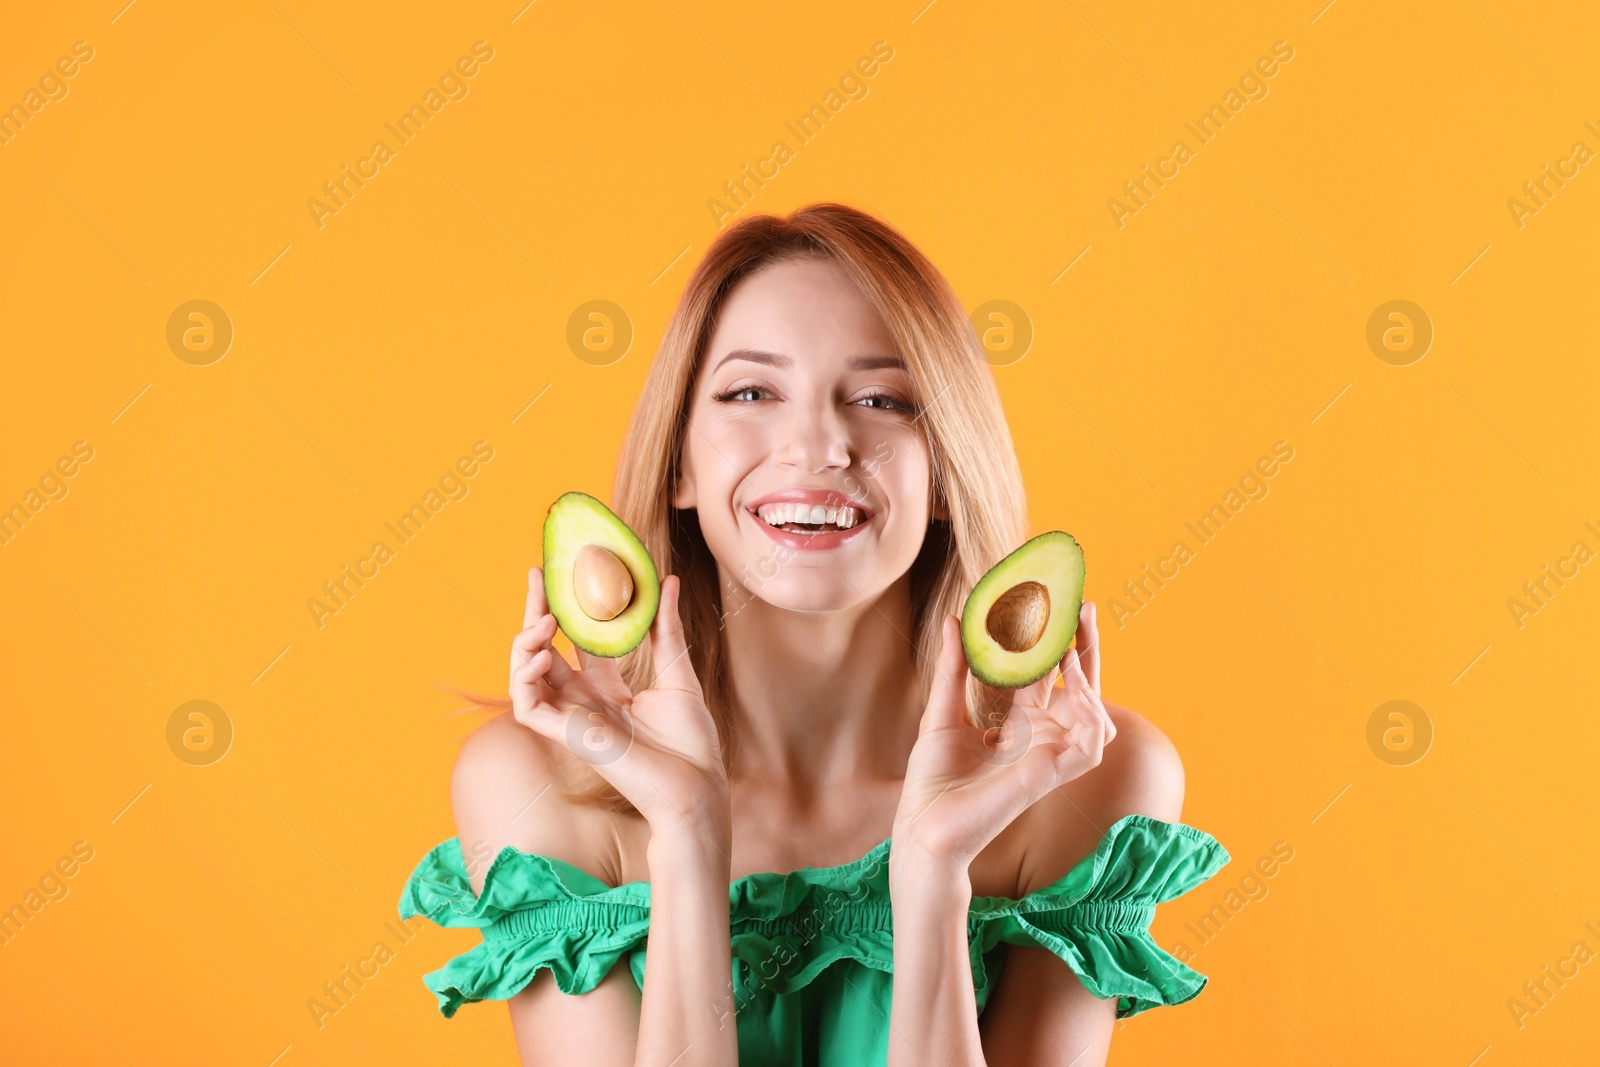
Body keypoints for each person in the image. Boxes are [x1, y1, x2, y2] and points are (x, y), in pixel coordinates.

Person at [399, 202, 1229, 1066]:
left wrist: (936, 872)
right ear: (680, 460)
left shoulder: (1083, 782)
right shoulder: (537, 785)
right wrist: (686, 830)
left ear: (946, 471)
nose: (820, 444)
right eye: (752, 391)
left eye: (880, 398)